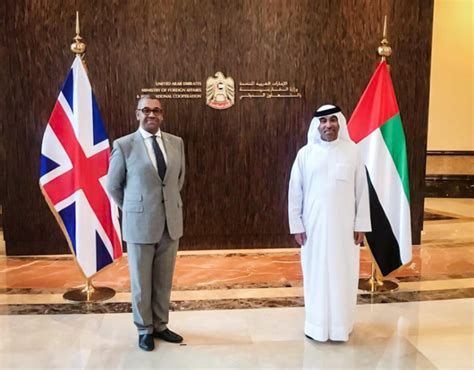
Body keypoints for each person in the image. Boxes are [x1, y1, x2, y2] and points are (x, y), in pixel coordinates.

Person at [107, 94, 185, 351]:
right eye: (146, 110)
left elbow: (177, 181)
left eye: (157, 110)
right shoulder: (124, 145)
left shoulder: (176, 143)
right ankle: (144, 329)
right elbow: (114, 186)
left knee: (163, 279)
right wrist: (134, 209)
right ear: (137, 114)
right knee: (141, 282)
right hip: (139, 224)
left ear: (162, 114)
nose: (152, 115)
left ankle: (161, 325)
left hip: (170, 224)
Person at [288, 104, 371, 342]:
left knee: (343, 274)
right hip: (313, 230)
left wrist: (361, 224)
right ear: (317, 125)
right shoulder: (305, 154)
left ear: (340, 123)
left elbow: (362, 190)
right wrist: (297, 225)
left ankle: (340, 326)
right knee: (315, 274)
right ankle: (316, 326)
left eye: (332, 120)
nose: (328, 125)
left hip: (345, 231)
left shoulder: (352, 151)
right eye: (323, 121)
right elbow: (295, 192)